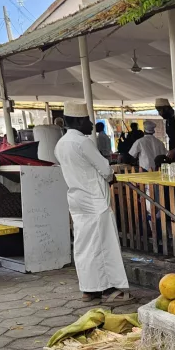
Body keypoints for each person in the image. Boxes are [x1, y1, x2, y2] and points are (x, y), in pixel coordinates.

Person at [54, 101, 131, 303]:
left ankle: (89, 289)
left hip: (77, 199)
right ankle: (108, 289)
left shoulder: (60, 144)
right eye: (87, 120)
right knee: (104, 244)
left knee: (84, 244)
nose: (91, 124)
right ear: (79, 121)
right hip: (94, 200)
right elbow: (105, 169)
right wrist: (110, 177)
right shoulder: (82, 142)